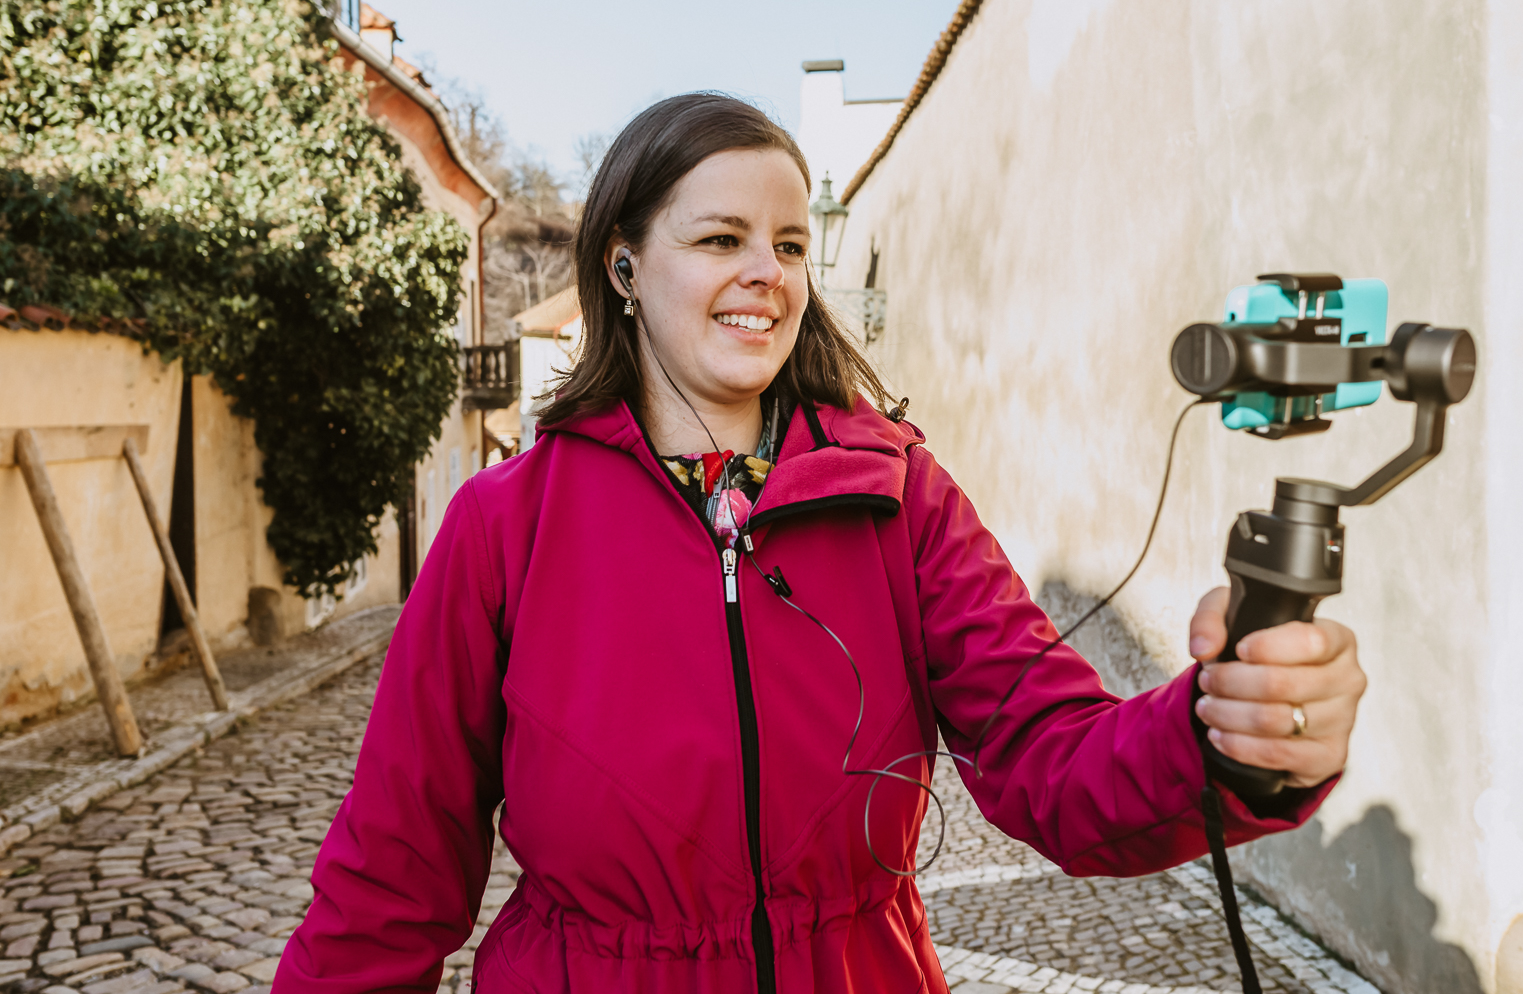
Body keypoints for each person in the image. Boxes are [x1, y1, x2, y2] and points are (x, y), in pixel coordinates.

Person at [275, 93, 1367, 994]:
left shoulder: (900, 493)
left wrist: (1230, 739)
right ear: (621, 265)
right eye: (719, 239)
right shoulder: (505, 523)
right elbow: (395, 870)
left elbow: (1056, 760)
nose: (769, 272)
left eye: (790, 244)